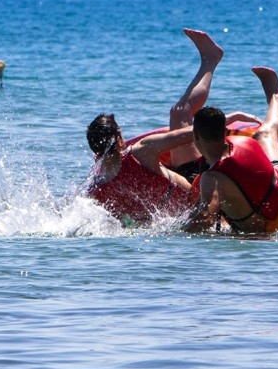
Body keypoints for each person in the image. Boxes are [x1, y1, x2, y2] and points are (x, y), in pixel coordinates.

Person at [84, 28, 224, 224]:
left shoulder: (95, 190)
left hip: (168, 222)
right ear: (118, 139)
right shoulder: (140, 152)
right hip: (196, 195)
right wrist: (228, 121)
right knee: (180, 112)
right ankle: (210, 59)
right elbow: (192, 133)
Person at [185, 66, 278, 234]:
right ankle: (276, 97)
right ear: (225, 131)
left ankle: (277, 96)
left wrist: (173, 235)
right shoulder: (243, 141)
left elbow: (206, 219)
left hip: (262, 223)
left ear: (196, 136)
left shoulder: (212, 177)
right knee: (265, 133)